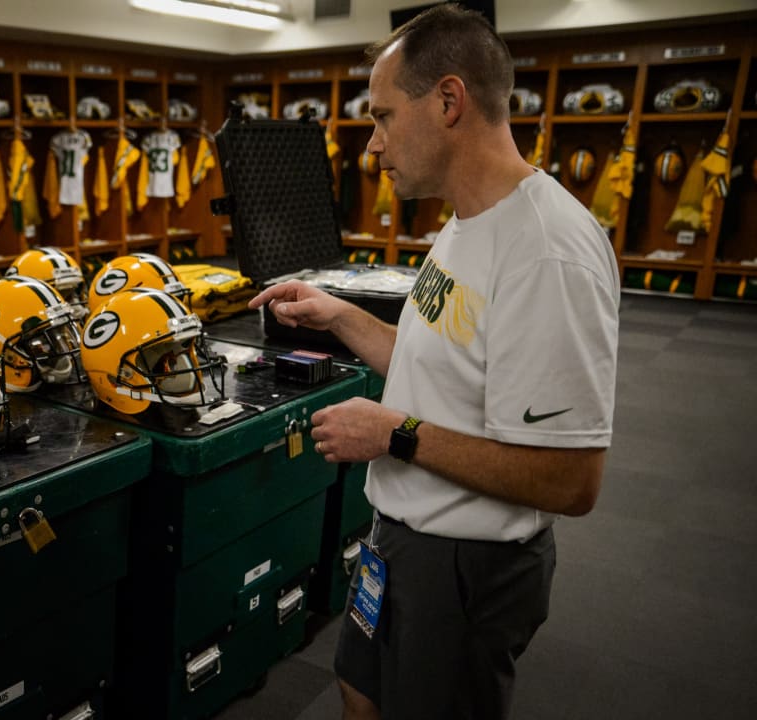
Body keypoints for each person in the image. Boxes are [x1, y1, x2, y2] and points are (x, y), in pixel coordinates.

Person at [247, 5, 619, 719]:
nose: (373, 145)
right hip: (402, 536)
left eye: (385, 117)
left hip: (465, 563)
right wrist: (342, 315)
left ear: (449, 101)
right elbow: (442, 369)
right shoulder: (464, 221)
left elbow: (569, 479)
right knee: (360, 695)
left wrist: (393, 435)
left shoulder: (546, 252)